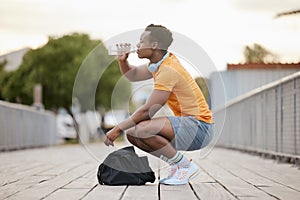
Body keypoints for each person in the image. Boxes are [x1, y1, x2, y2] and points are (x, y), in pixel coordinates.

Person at [104, 24, 214, 185]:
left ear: (154, 45)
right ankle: (177, 165)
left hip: (200, 128)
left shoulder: (168, 70)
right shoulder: (160, 64)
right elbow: (133, 74)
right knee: (133, 134)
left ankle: (185, 166)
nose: (137, 46)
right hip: (190, 126)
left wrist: (117, 128)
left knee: (141, 129)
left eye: (141, 41)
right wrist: (123, 61)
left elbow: (148, 111)